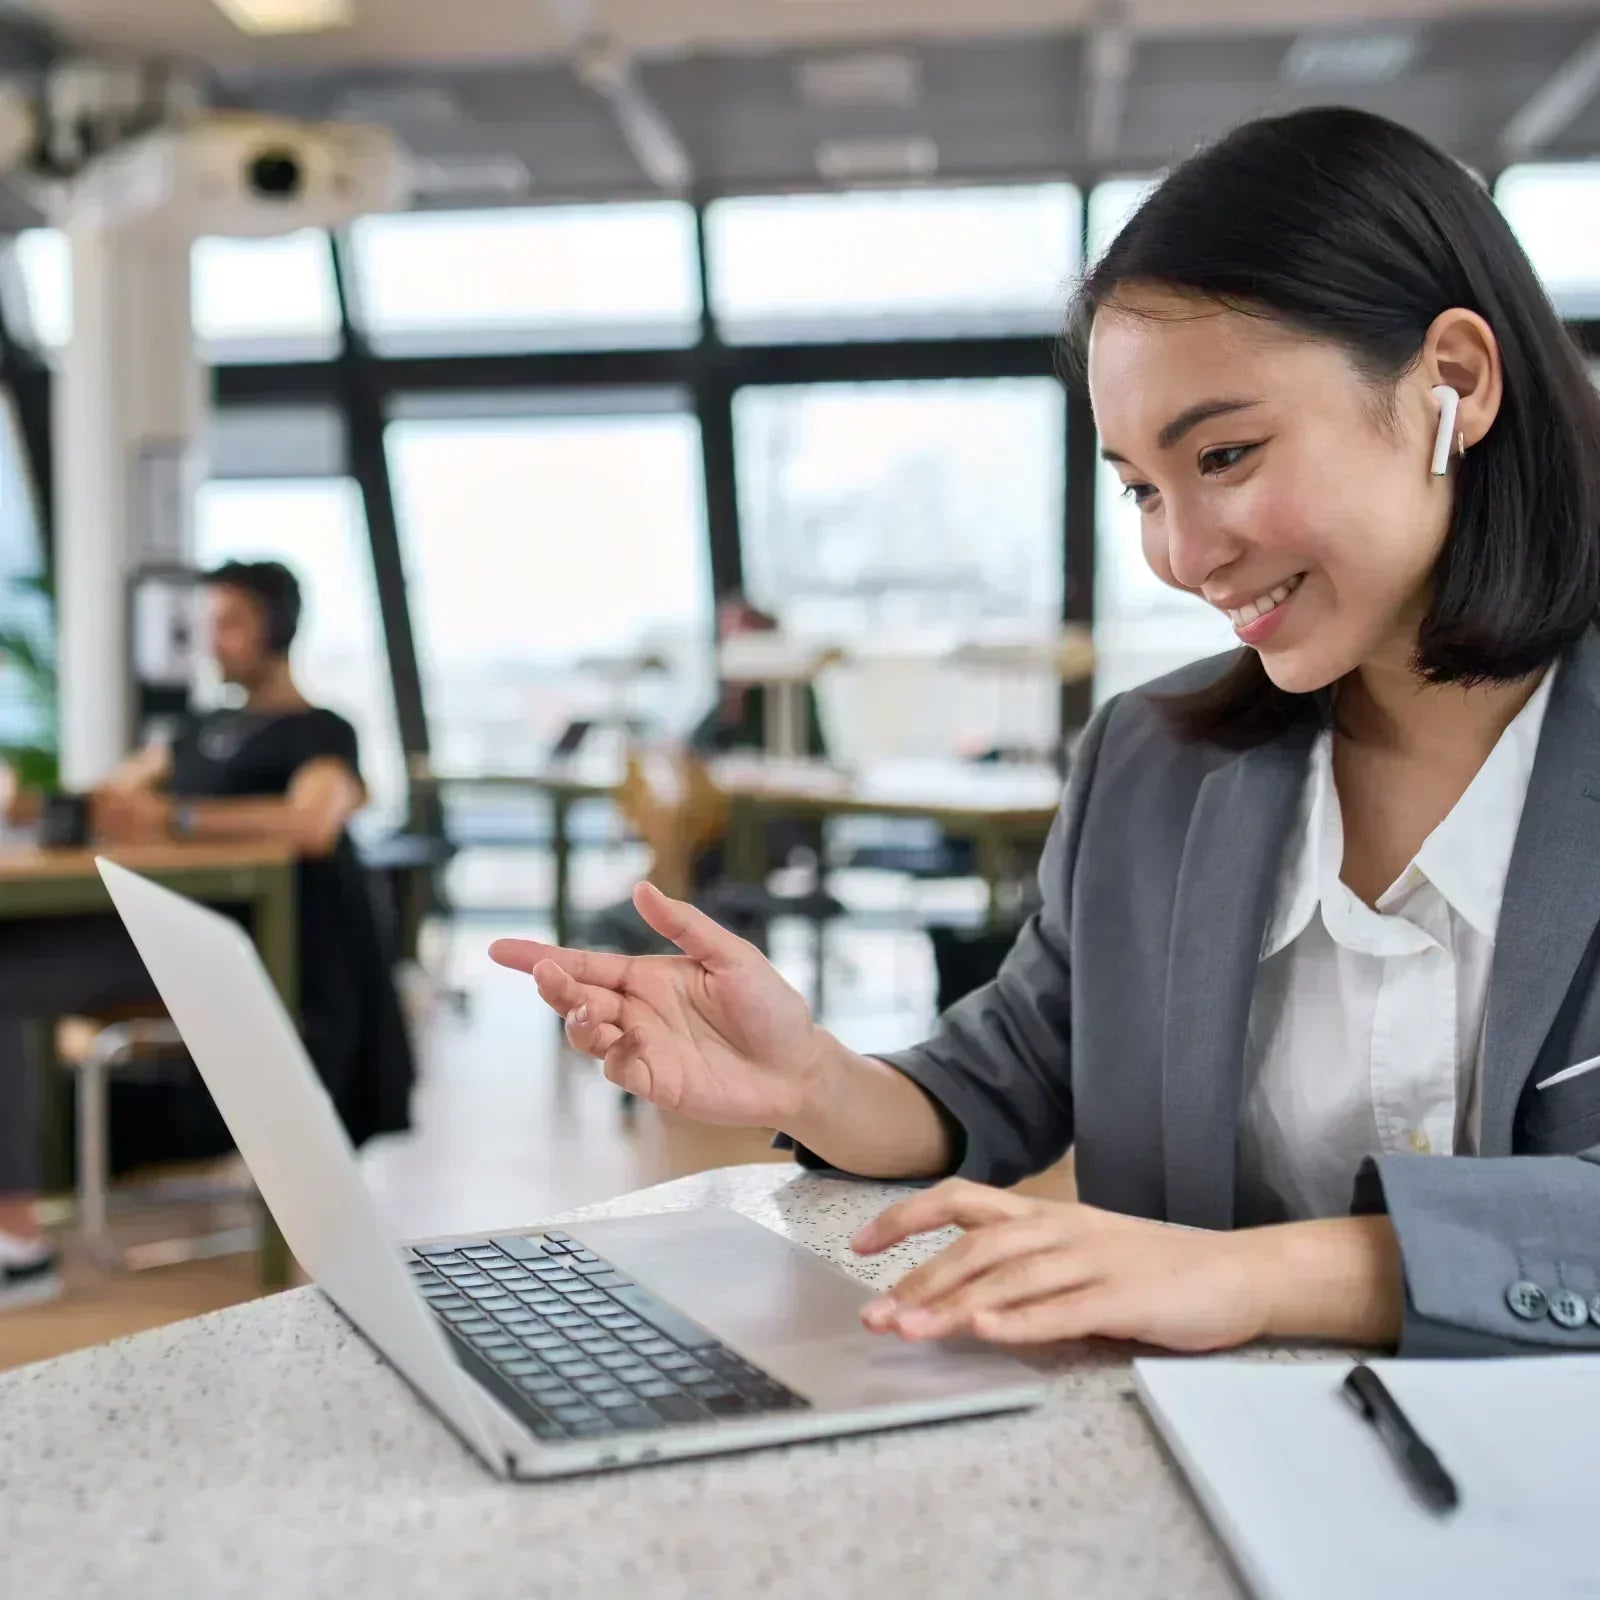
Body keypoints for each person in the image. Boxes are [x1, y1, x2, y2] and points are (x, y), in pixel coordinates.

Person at [491, 107, 1600, 1360]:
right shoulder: (1156, 760)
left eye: (1224, 454)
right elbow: (1015, 1068)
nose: (1181, 555)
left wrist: (1253, 1279)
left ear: (1451, 381)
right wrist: (810, 1079)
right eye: (1139, 488)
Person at [0, 561, 414, 1309]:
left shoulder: (320, 732)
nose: (214, 643)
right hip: (158, 931)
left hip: (246, 949)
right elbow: (110, 795)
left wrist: (179, 820)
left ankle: (19, 1246)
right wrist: (27, 799)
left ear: (277, 631)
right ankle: (23, 1224)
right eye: (208, 626)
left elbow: (315, 822)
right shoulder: (195, 731)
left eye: (230, 624)